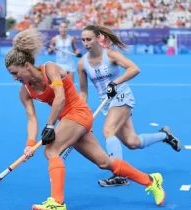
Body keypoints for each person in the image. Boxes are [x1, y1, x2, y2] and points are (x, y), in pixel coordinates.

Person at [4, 28, 166, 210]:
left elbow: (60, 98)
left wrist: (49, 126)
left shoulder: (50, 69)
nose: (14, 78)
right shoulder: (25, 91)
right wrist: (29, 144)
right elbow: (31, 118)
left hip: (78, 113)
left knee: (51, 151)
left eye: (15, 73)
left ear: (26, 65)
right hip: (69, 121)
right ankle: (151, 181)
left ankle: (57, 203)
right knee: (104, 162)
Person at [78, 25, 182, 187]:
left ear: (98, 38)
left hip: (122, 95)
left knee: (108, 131)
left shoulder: (111, 55)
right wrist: (80, 113)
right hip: (106, 103)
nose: (85, 43)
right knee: (132, 142)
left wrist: (115, 82)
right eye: (83, 40)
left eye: (89, 39)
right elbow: (83, 92)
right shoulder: (82, 64)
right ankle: (165, 135)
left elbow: (134, 69)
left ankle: (119, 174)